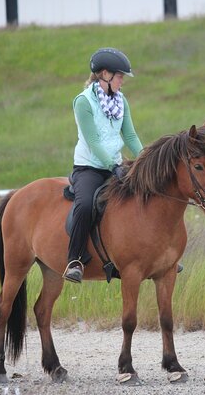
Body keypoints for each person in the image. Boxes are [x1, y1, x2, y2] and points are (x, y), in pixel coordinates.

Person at [63, 48, 143, 283]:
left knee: (145, 196)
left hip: (115, 165)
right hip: (89, 168)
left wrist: (148, 161)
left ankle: (150, 254)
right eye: (120, 76)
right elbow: (93, 140)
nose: (122, 81)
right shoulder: (83, 102)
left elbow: (130, 136)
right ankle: (75, 259)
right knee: (86, 205)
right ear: (105, 74)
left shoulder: (121, 101)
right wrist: (112, 166)